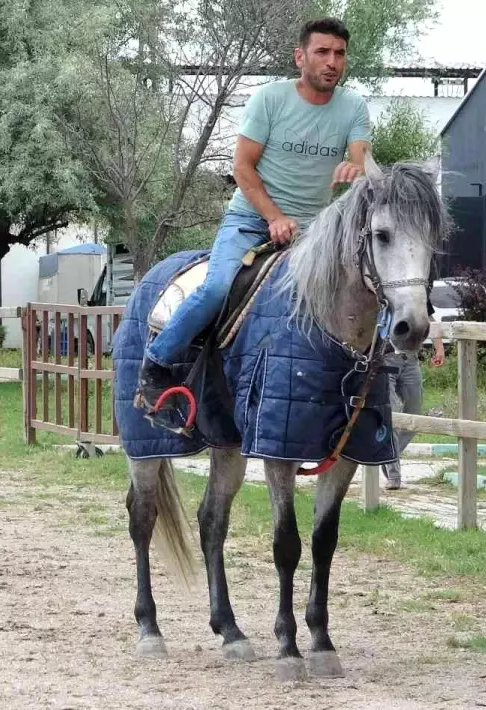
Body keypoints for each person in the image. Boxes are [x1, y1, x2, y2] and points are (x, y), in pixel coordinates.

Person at [138, 16, 373, 407]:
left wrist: (358, 168)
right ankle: (157, 363)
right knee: (215, 289)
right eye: (322, 52)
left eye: (340, 54)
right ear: (300, 57)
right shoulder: (270, 99)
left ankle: (370, 374)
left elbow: (362, 159)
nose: (332, 61)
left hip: (315, 233)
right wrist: (274, 217)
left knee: (363, 287)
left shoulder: (352, 107)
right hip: (250, 220)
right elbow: (242, 168)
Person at [382, 294, 446, 490]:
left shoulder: (417, 294)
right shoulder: (381, 291)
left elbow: (430, 319)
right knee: (393, 415)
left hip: (410, 360)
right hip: (385, 358)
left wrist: (439, 348)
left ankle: (386, 455)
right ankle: (394, 474)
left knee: (414, 417)